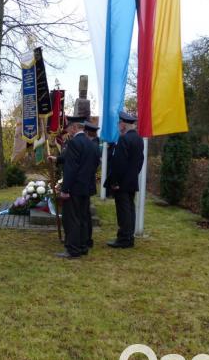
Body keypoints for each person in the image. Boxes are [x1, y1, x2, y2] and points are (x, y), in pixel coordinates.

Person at [49, 116, 97, 259]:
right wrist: (57, 159)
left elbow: (71, 168)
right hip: (86, 187)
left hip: (74, 188)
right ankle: (82, 246)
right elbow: (88, 163)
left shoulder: (74, 142)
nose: (68, 131)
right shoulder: (90, 143)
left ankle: (72, 249)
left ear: (75, 127)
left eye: (69, 128)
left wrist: (65, 190)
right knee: (83, 218)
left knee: (72, 219)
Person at [104, 111, 145, 249]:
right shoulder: (138, 139)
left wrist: (115, 182)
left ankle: (124, 239)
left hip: (121, 182)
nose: (118, 126)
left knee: (123, 211)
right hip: (132, 180)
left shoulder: (124, 139)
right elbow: (140, 161)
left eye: (119, 123)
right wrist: (133, 174)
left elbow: (119, 163)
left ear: (123, 124)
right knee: (130, 209)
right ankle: (129, 237)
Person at [83, 122, 102, 249]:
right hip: (88, 183)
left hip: (86, 182)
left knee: (85, 213)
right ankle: (87, 239)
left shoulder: (92, 146)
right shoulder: (95, 145)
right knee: (86, 212)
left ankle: (87, 239)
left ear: (87, 132)